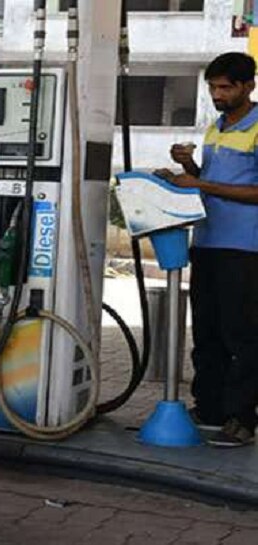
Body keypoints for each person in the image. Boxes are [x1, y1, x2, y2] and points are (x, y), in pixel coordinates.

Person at [155, 52, 258, 447]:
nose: (218, 94)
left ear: (248, 85)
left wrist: (202, 185)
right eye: (213, 87)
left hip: (245, 249)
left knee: (243, 335)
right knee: (208, 332)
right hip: (209, 243)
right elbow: (213, 182)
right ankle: (210, 408)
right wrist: (190, 167)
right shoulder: (216, 128)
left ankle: (242, 418)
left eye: (225, 87)